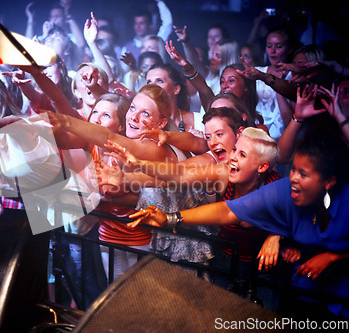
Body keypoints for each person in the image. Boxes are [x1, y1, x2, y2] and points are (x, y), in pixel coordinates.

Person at [129, 131, 349, 321]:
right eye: (293, 169)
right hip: (303, 288)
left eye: (303, 174)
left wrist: (333, 257)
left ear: (329, 182)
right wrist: (169, 219)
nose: (293, 178)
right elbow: (228, 210)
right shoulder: (284, 190)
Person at [46, 84, 179, 280]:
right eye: (133, 109)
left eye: (145, 113)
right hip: (108, 233)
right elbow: (63, 137)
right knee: (116, 297)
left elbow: (143, 197)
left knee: (140, 297)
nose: (134, 116)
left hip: (138, 236)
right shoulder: (97, 146)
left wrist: (104, 192)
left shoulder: (139, 150)